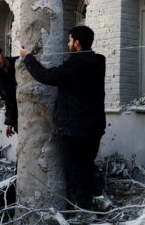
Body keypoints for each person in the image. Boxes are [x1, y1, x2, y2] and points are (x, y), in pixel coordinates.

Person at [19, 26, 110, 210]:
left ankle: (85, 210)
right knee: (87, 164)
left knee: (76, 170)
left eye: (69, 40)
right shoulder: (99, 61)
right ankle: (101, 197)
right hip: (95, 125)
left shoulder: (74, 65)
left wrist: (28, 57)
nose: (67, 44)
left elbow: (45, 76)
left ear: (77, 43)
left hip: (74, 128)